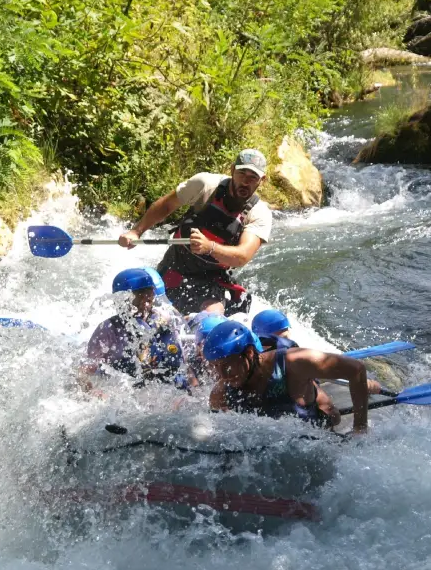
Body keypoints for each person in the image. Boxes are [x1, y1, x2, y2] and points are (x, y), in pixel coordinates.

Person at [118, 149, 273, 316]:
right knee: (142, 309)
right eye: (242, 173)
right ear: (232, 169)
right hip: (175, 264)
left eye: (253, 177)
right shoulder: (205, 184)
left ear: (261, 180)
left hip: (212, 278)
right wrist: (136, 231)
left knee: (211, 317)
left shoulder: (259, 213)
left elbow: (242, 256)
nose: (245, 182)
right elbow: (167, 205)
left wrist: (210, 247)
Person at [203, 321, 382, 433]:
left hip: (315, 420)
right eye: (214, 367)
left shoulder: (295, 361)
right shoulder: (220, 394)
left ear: (249, 353)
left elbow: (356, 369)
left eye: (226, 366)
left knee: (333, 415)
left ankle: (317, 386)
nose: (221, 375)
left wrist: (360, 428)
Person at [81, 268, 183, 388]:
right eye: (138, 295)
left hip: (162, 384)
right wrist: (91, 390)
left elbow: (182, 362)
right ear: (122, 300)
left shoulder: (164, 319)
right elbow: (86, 370)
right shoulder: (108, 329)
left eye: (148, 293)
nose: (145, 301)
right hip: (126, 387)